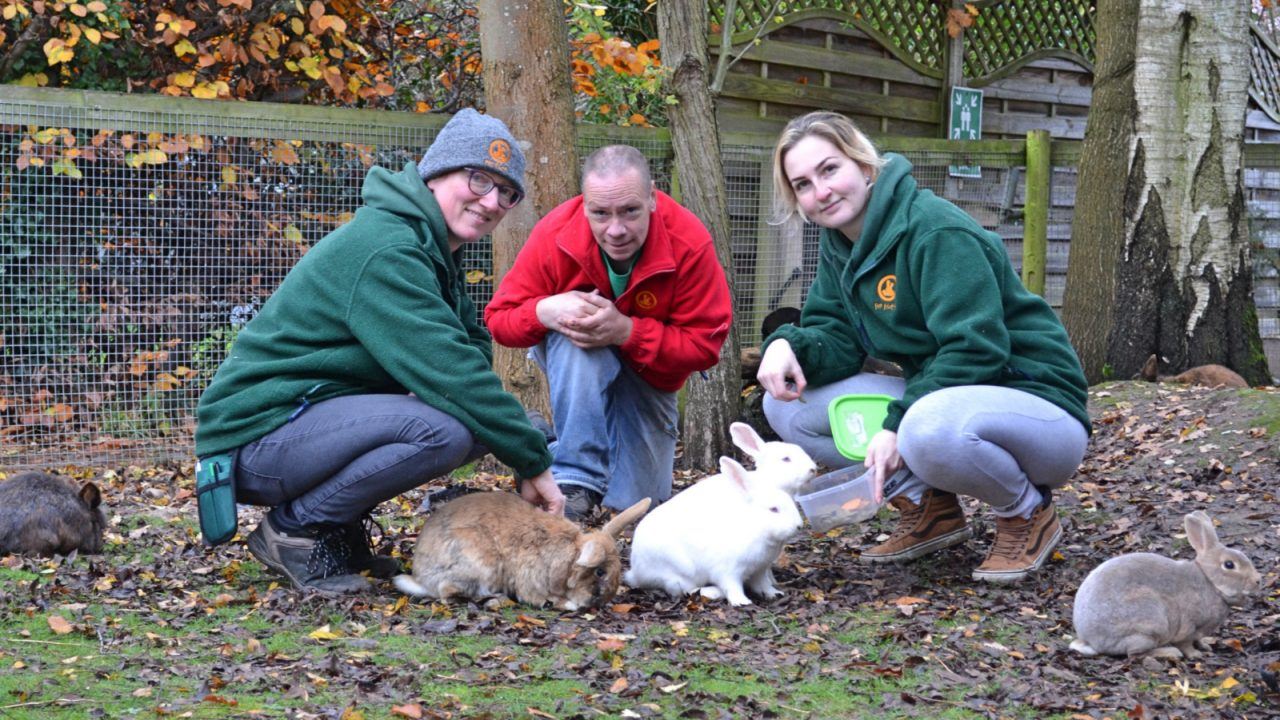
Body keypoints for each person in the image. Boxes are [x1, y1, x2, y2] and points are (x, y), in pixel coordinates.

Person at [195, 109, 564, 594]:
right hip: (257, 439)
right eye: (478, 180)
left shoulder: (432, 248)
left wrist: (518, 441)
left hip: (306, 426)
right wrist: (532, 463)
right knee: (445, 430)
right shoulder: (387, 248)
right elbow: (452, 373)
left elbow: (467, 349)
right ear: (437, 173)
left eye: (506, 192)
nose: (491, 201)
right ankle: (295, 531)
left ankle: (335, 532)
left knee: (482, 424)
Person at [757, 111, 1090, 583]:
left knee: (922, 427)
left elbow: (976, 350)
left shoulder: (935, 230)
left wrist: (896, 424)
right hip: (950, 401)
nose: (821, 191)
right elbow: (836, 340)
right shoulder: (841, 245)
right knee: (790, 405)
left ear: (864, 166)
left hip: (1040, 412)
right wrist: (785, 345)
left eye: (830, 170)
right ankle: (927, 506)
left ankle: (1026, 512)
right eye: (803, 184)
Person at [484, 145, 732, 520]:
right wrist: (544, 309)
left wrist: (627, 331)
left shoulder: (688, 241)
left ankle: (543, 449)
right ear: (584, 204)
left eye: (630, 211)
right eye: (600, 213)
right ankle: (576, 478)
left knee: (634, 505)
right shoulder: (555, 232)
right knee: (574, 329)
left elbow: (704, 347)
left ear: (651, 197)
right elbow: (499, 320)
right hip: (579, 363)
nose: (615, 230)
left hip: (651, 380)